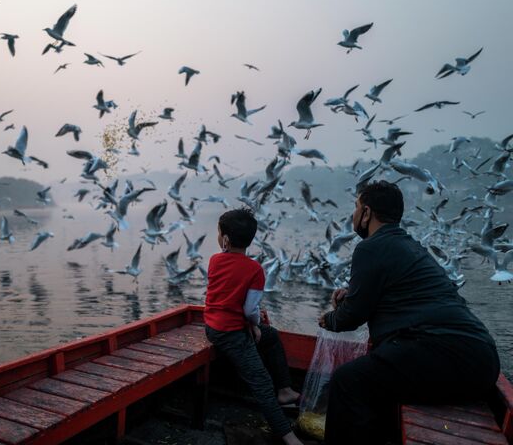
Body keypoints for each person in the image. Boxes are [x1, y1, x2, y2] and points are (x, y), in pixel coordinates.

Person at [318, 180, 500, 445]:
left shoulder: (370, 247)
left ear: (367, 213)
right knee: (378, 383)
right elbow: (399, 296)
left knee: (347, 382)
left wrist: (329, 319)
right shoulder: (412, 247)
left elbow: (352, 317)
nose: (354, 215)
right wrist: (352, 296)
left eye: (356, 207)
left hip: (446, 356)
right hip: (480, 361)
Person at [205, 208, 303, 445]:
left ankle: (285, 391)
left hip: (215, 328)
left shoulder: (214, 260)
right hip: (232, 334)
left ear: (225, 239)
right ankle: (288, 436)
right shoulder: (254, 269)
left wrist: (255, 326)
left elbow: (228, 298)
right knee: (261, 381)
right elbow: (251, 311)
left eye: (219, 233)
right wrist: (254, 325)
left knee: (270, 336)